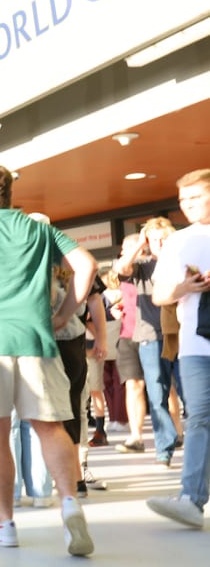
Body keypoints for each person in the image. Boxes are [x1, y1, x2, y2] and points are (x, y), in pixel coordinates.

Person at [0, 163, 97, 556]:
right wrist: (64, 315)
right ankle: (69, 503)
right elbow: (86, 265)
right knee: (50, 428)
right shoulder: (40, 229)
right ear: (11, 194)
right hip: (36, 339)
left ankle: (3, 521)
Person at [147, 168, 210, 528]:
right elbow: (159, 295)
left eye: (196, 197)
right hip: (195, 344)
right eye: (183, 200)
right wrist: (185, 287)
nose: (187, 205)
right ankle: (191, 498)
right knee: (199, 416)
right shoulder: (177, 241)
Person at [114, 217, 179, 466]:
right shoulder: (142, 266)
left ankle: (187, 438)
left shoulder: (182, 263)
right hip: (150, 337)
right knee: (157, 393)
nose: (159, 244)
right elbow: (121, 269)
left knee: (188, 393)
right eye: (154, 240)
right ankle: (164, 449)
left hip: (184, 335)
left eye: (163, 238)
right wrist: (139, 244)